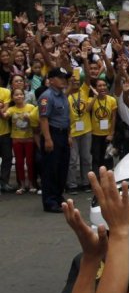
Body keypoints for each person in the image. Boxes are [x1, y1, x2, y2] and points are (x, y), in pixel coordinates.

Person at [38, 66, 72, 212]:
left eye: (65, 78)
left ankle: (58, 196)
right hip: (52, 134)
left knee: (62, 168)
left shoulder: (62, 95)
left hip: (63, 134)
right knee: (50, 169)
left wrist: (69, 135)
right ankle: (50, 201)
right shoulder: (47, 96)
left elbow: (66, 117)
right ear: (51, 80)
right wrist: (48, 139)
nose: (64, 80)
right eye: (60, 77)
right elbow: (44, 119)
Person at [1, 87, 38, 193]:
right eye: (16, 95)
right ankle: (21, 185)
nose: (19, 96)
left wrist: (30, 118)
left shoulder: (31, 107)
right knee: (19, 162)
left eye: (21, 94)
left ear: (24, 95)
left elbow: (37, 119)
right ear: (12, 97)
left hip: (29, 139)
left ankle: (31, 184)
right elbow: (4, 116)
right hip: (16, 139)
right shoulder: (11, 109)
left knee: (30, 162)